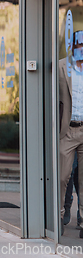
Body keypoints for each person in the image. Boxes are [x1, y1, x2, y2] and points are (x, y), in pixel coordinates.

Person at [59, 29, 83, 237]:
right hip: (66, 131)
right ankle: (59, 215)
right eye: (78, 44)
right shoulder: (61, 66)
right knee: (63, 176)